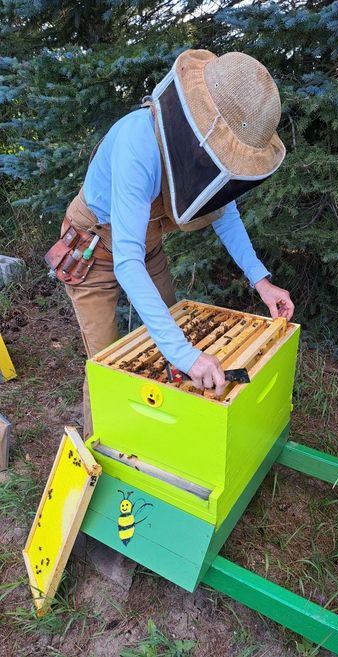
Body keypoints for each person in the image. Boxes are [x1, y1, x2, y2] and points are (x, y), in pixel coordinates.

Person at [49, 49, 294, 438]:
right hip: (93, 252)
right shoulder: (137, 143)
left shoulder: (200, 151)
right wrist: (184, 355)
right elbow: (125, 262)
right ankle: (103, 454)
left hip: (145, 249)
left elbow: (224, 214)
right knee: (107, 364)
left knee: (175, 333)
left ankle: (166, 440)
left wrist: (261, 281)